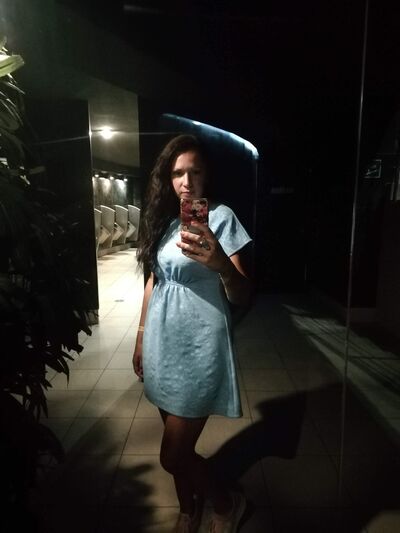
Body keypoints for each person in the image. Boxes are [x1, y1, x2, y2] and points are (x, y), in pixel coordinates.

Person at [133, 134, 252, 533]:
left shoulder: (222, 218)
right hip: (162, 342)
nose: (186, 182)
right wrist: (141, 335)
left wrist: (221, 264)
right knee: (179, 449)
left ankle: (226, 503)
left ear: (207, 175)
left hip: (200, 346)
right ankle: (188, 509)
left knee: (173, 454)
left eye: (195, 172)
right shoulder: (166, 220)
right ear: (167, 178)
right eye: (177, 173)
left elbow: (242, 294)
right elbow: (155, 279)